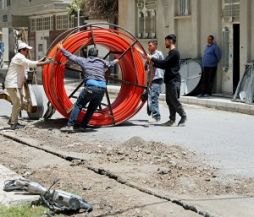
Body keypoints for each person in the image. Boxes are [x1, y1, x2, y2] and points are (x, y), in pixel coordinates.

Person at [57, 43, 119, 133]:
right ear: (97, 55)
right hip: (102, 88)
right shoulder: (102, 62)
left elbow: (70, 56)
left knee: (78, 105)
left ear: (88, 55)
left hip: (90, 87)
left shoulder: (84, 61)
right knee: (91, 109)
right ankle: (83, 126)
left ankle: (70, 126)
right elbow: (111, 63)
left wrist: (61, 49)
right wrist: (117, 60)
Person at [4, 42, 52, 130]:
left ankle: (12, 120)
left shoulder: (22, 58)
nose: (28, 52)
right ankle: (13, 124)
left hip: (16, 84)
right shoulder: (19, 57)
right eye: (27, 50)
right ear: (22, 50)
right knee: (17, 102)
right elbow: (31, 63)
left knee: (19, 103)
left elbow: (30, 64)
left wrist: (43, 59)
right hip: (12, 84)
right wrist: (46, 62)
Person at [147, 34, 187, 127]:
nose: (165, 43)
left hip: (174, 80)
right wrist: (153, 62)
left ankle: (183, 116)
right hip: (169, 81)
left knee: (173, 100)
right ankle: (172, 120)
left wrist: (152, 58)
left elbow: (164, 63)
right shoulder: (171, 53)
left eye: (166, 41)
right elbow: (164, 65)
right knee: (169, 101)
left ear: (170, 41)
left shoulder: (174, 52)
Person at [146, 40, 164, 123]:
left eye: (150, 45)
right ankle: (152, 110)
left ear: (155, 46)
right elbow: (146, 68)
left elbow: (161, 63)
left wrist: (150, 58)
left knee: (154, 97)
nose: (148, 47)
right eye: (148, 45)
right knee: (150, 97)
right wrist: (147, 61)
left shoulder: (158, 54)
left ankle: (156, 116)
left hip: (157, 78)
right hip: (150, 79)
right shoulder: (149, 55)